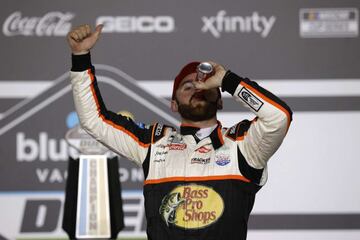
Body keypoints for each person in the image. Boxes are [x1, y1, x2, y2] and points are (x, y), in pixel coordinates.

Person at [67, 24, 292, 240]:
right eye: (188, 87)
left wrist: (227, 80)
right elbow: (93, 120)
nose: (198, 88)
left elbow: (279, 117)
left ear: (220, 100)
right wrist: (80, 58)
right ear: (173, 104)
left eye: (206, 85)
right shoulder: (153, 144)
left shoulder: (242, 144)